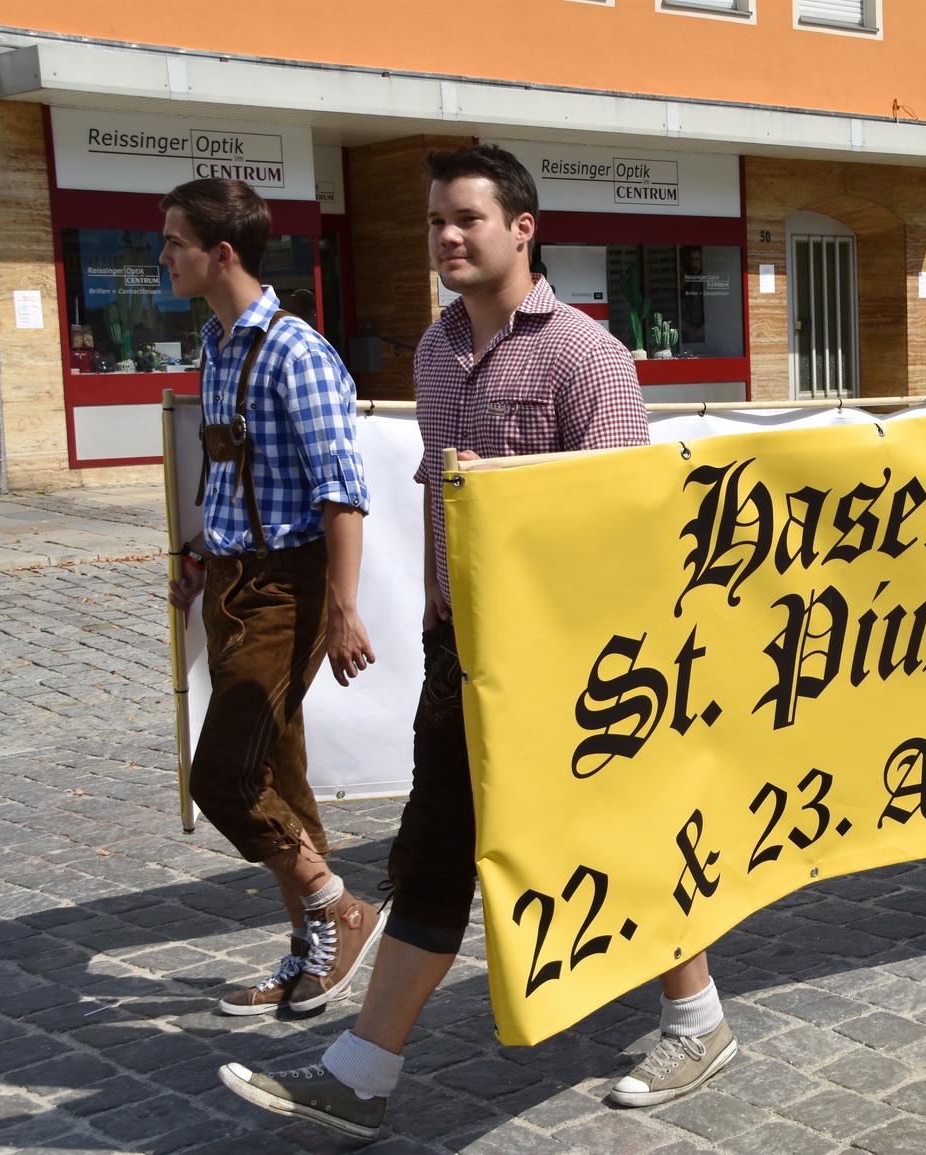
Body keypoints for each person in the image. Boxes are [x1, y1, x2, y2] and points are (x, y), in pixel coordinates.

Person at [217, 145, 736, 1140]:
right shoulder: (434, 350)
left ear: (522, 230)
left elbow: (624, 527)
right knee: (436, 853)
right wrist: (434, 613)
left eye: (467, 219)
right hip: (468, 661)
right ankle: (363, 1071)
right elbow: (437, 501)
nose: (446, 238)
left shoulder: (587, 357)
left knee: (619, 843)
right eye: (434, 222)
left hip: (575, 666)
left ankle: (697, 1018)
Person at [160, 178, 381, 1018]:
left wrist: (343, 606)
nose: (163, 255)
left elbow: (342, 491)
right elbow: (230, 475)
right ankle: (311, 953)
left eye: (175, 241)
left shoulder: (297, 351)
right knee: (279, 777)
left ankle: (338, 909)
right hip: (230, 582)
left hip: (286, 587)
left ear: (221, 253)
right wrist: (199, 556)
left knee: (221, 774)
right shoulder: (217, 346)